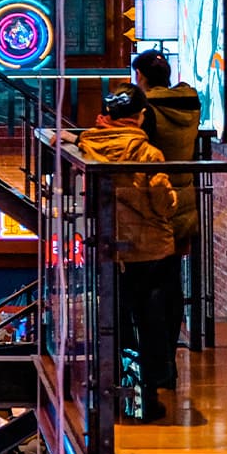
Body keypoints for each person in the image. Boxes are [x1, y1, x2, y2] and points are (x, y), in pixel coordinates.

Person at [73, 85, 178, 422]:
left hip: (108, 247)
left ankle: (116, 390)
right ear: (141, 116)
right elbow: (162, 203)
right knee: (151, 323)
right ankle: (147, 399)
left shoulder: (88, 146)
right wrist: (173, 200)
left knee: (114, 323)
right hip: (148, 251)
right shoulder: (147, 153)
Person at [133, 50, 204, 394]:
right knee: (171, 285)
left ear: (142, 77)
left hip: (156, 204)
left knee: (147, 290)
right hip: (184, 201)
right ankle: (168, 363)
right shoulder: (189, 105)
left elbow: (140, 152)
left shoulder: (148, 111)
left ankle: (155, 368)